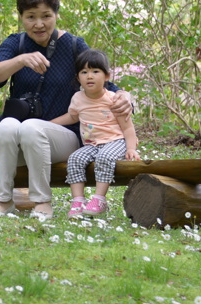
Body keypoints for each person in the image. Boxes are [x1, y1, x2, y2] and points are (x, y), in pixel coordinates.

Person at [0, 0, 132, 219]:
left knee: (30, 128)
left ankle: (42, 203)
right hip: (20, 140)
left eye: (46, 16)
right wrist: (21, 60)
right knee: (7, 126)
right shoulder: (15, 43)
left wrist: (123, 94)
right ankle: (4, 200)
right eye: (31, 16)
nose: (38, 24)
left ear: (56, 15)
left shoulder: (72, 45)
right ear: (22, 17)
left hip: (64, 139)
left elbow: (101, 79)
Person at [49, 49, 141, 219]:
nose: (89, 76)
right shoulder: (77, 98)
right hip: (92, 144)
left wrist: (131, 148)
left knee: (104, 158)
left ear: (107, 76)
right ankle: (78, 201)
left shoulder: (113, 99)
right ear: (78, 78)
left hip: (116, 141)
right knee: (75, 159)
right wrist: (49, 124)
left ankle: (100, 199)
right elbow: (71, 116)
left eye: (95, 71)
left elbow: (128, 128)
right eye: (84, 72)